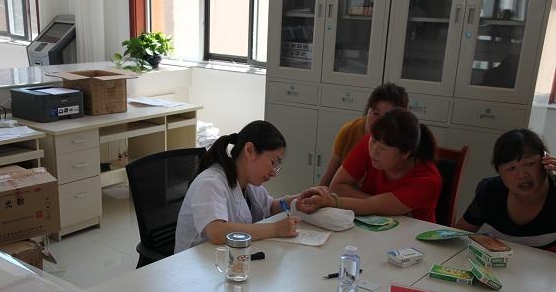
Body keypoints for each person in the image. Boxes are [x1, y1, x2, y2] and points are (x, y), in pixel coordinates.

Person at [175, 120, 329, 253]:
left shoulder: (248, 182)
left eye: (277, 166)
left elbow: (270, 207)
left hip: (227, 258)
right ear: (249, 151)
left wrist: (298, 198)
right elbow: (216, 232)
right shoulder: (210, 182)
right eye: (273, 162)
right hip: (194, 265)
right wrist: (275, 229)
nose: (273, 173)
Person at [298, 108, 442, 223]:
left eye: (383, 148)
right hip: (369, 226)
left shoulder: (428, 180)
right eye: (373, 141)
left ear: (405, 153)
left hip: (412, 238)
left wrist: (329, 201)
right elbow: (337, 187)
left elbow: (371, 206)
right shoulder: (371, 142)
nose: (374, 151)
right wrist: (377, 205)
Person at [455, 129, 556, 252]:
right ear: (499, 172)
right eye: (511, 168)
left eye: (529, 164)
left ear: (545, 160)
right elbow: (457, 236)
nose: (522, 175)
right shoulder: (491, 191)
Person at [318, 83, 409, 186]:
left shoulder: (403, 141)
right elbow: (329, 178)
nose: (379, 122)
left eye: (387, 117)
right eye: (375, 113)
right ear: (368, 109)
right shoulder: (349, 131)